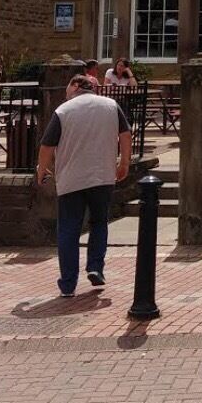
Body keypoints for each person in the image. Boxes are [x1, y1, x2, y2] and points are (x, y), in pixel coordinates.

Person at [36, 74, 131, 297]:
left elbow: (47, 145)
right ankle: (95, 266)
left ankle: (68, 284)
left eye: (68, 86)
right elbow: (125, 134)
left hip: (71, 179)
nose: (66, 92)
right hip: (103, 177)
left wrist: (42, 171)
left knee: (69, 229)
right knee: (99, 222)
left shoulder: (64, 110)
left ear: (76, 86)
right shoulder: (111, 105)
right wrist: (124, 162)